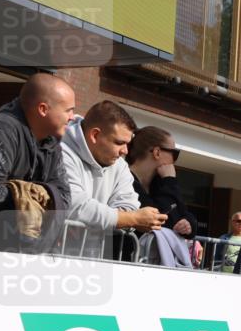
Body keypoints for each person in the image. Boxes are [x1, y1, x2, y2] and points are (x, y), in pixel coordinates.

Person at [0, 73, 76, 245]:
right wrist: (31, 198)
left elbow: (64, 197)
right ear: (43, 109)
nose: (73, 117)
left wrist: (28, 196)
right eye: (68, 110)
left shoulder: (52, 144)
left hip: (19, 246)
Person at [63, 101, 167, 238]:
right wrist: (133, 219)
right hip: (47, 256)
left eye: (128, 144)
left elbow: (129, 206)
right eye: (119, 143)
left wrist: (105, 218)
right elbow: (74, 206)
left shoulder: (120, 164)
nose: (125, 151)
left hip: (90, 256)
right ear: (95, 135)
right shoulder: (61, 152)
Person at [127, 126, 197, 237]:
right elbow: (160, 218)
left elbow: (184, 212)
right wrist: (169, 181)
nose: (174, 160)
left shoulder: (161, 182)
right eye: (174, 154)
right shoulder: (125, 180)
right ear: (157, 152)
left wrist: (189, 224)